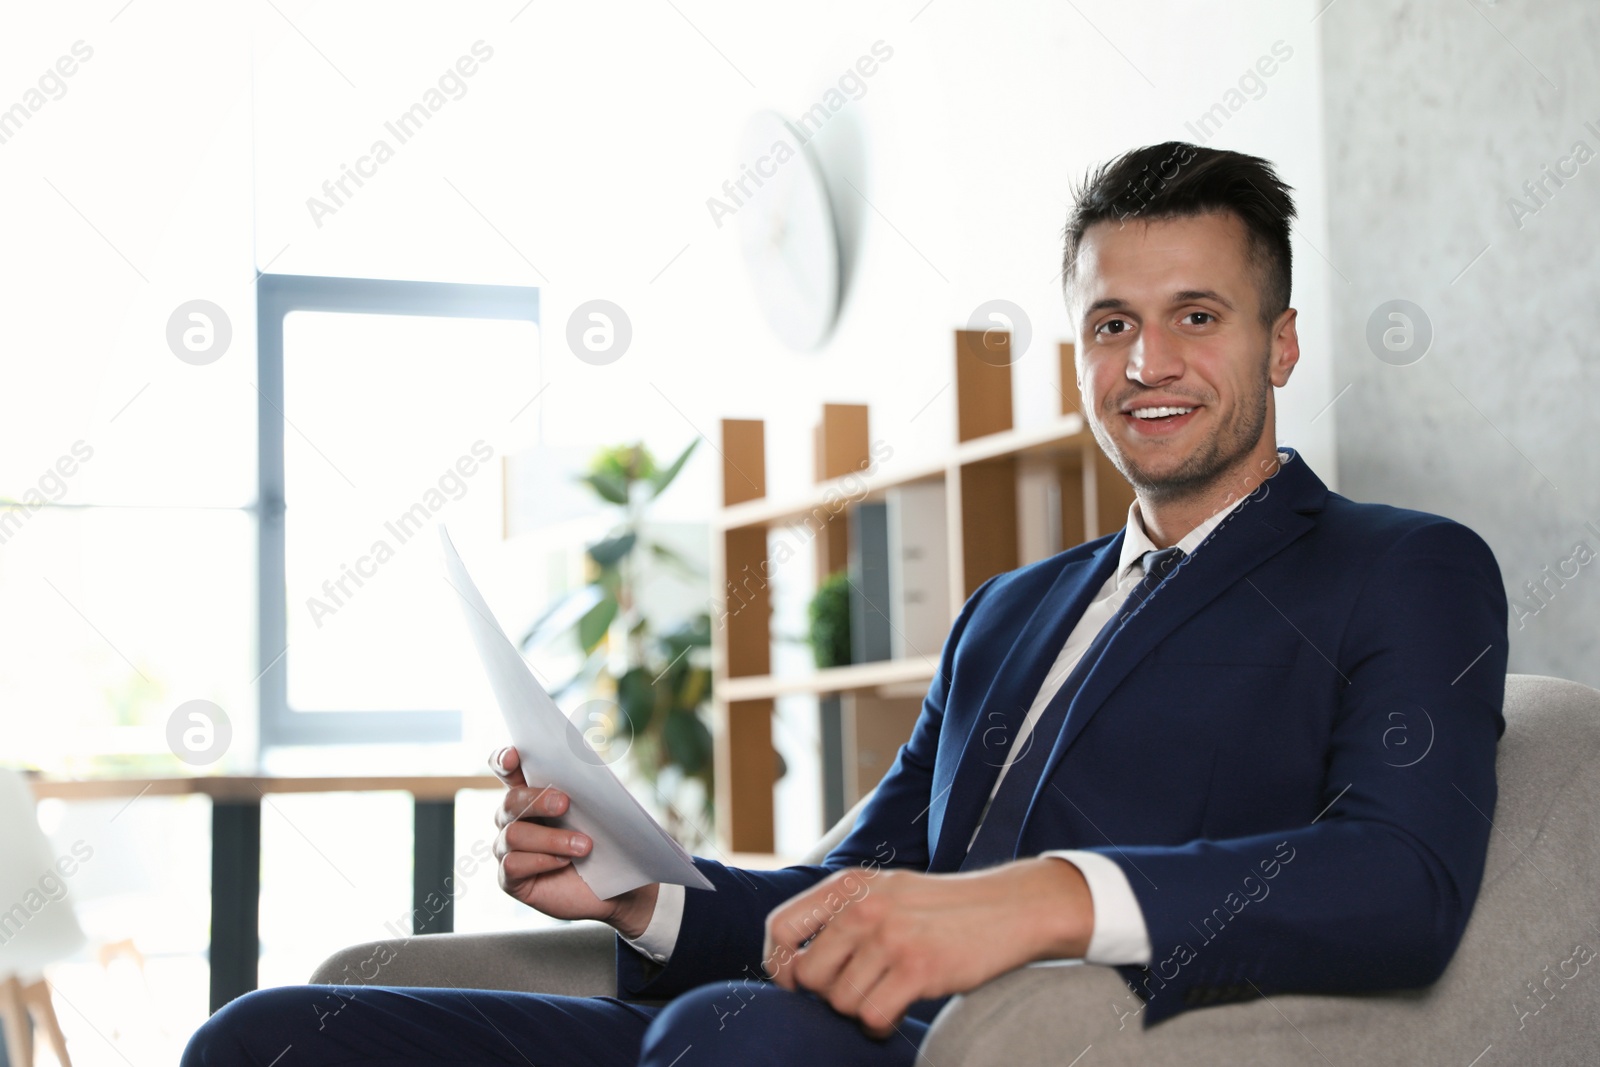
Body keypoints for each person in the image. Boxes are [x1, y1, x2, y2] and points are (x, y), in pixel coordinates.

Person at [182, 141, 1508, 1066]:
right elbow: (847, 894)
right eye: (1111, 325)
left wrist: (1045, 899)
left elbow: (1401, 881)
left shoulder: (1402, 567)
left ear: (1279, 342)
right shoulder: (1007, 611)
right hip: (789, 1039)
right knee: (268, 1036)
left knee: (725, 1036)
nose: (1147, 363)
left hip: (1027, 1050)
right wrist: (637, 894)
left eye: (1197, 316)